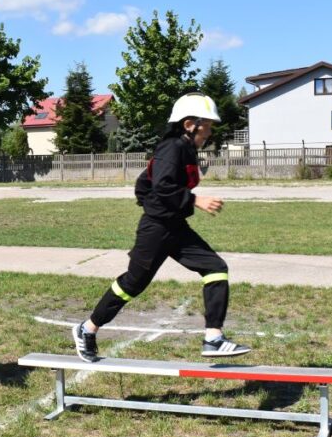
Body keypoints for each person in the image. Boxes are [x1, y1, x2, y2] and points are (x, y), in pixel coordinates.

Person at [72, 92, 251, 362]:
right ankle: (86, 329)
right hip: (156, 230)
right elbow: (162, 185)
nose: (211, 130)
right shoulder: (173, 148)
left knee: (215, 269)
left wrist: (159, 205)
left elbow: (144, 184)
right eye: (208, 124)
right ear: (190, 124)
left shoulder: (186, 149)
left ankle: (213, 338)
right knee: (132, 284)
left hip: (175, 227)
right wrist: (193, 201)